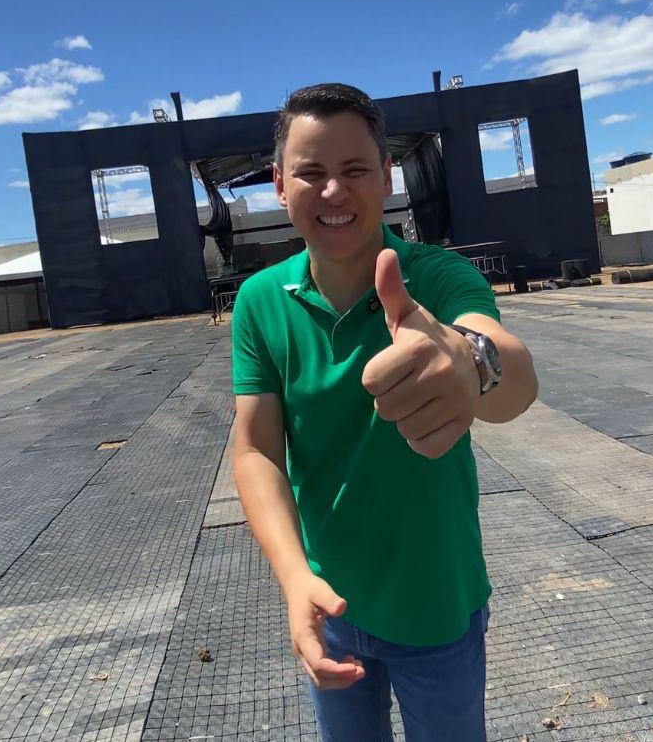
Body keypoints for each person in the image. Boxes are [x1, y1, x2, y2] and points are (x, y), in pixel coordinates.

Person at [231, 83, 538, 741]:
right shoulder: (259, 301)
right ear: (280, 186)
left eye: (354, 170)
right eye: (310, 173)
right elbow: (256, 451)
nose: (333, 191)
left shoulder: (437, 278)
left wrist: (472, 361)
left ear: (387, 176)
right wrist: (294, 580)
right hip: (330, 603)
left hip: (437, 603)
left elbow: (515, 377)